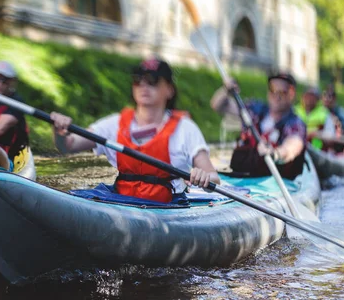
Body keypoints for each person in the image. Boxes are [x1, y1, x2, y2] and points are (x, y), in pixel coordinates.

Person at [50, 58, 220, 204]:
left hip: (168, 206)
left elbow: (214, 178)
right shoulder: (115, 123)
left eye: (152, 80)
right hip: (121, 201)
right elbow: (68, 146)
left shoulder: (185, 128)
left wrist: (204, 177)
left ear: (169, 89)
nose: (144, 85)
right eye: (138, 80)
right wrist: (59, 131)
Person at [210, 72, 306, 180]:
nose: (277, 96)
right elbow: (218, 105)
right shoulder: (254, 110)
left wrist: (275, 154)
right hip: (240, 179)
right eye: (273, 89)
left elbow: (292, 146)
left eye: (282, 92)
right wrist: (225, 90)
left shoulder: (295, 123)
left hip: (273, 184)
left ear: (291, 94)